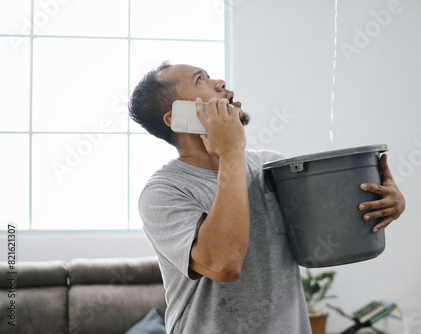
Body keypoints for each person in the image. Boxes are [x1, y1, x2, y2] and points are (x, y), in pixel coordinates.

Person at [128, 61, 405, 334]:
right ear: (176, 118)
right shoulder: (162, 193)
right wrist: (231, 152)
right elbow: (224, 265)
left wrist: (385, 205)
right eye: (201, 80)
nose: (220, 83)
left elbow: (327, 238)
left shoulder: (271, 166)